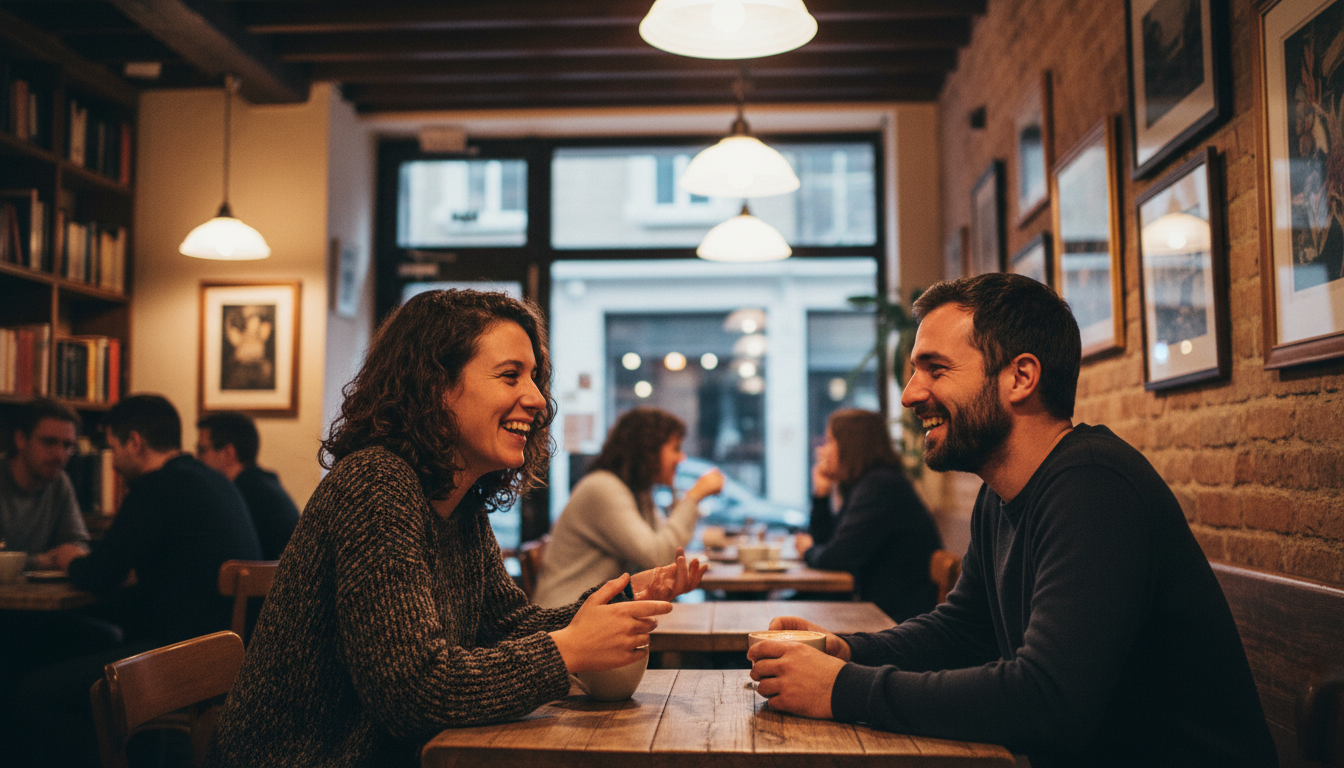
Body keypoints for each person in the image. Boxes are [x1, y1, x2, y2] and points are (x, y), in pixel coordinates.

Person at [748, 273, 1277, 767]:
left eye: (935, 369)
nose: (910, 394)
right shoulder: (1001, 495)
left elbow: (1048, 700)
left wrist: (842, 689)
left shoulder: (1092, 485)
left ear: (1020, 377)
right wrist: (849, 651)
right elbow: (965, 631)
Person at [207, 290, 707, 768]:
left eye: (535, 378)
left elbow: (504, 626)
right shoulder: (375, 483)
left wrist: (620, 600)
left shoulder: (458, 500)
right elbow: (412, 694)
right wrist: (568, 648)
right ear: (434, 386)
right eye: (511, 376)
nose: (537, 399)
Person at [10, 394, 262, 768]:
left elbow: (98, 574)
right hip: (220, 655)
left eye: (113, 449)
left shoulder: (155, 487)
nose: (113, 465)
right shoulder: (212, 480)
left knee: (29, 696)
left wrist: (72, 559)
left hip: (177, 661)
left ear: (135, 443)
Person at [533, 407, 724, 608]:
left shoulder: (638, 492)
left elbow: (667, 552)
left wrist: (686, 499)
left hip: (595, 611)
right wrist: (694, 497)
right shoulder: (603, 488)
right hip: (564, 615)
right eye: (676, 448)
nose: (682, 458)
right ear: (648, 449)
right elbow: (659, 557)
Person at [795, 408, 941, 621]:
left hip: (897, 621)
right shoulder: (867, 484)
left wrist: (807, 550)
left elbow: (835, 558)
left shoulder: (881, 486)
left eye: (829, 441)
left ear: (850, 445)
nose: (822, 450)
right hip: (876, 609)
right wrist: (821, 494)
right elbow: (827, 542)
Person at [196, 410, 300, 559]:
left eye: (201, 449)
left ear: (228, 453)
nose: (197, 458)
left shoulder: (237, 495)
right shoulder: (266, 484)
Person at [0, 397, 89, 569]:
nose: (60, 455)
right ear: (20, 439)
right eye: (49, 442)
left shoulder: (60, 482)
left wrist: (71, 553)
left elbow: (77, 544)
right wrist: (37, 562)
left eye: (68, 445)